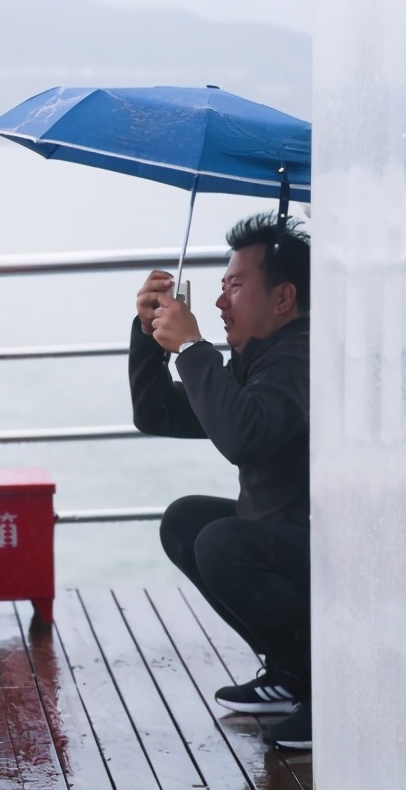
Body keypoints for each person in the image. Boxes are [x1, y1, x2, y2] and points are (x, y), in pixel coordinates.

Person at [129, 211, 312, 750]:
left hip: (335, 550)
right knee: (187, 521)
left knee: (221, 543)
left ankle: (325, 682)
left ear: (283, 298)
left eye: (235, 286)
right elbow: (158, 413)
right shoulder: (261, 356)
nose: (219, 302)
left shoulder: (300, 357)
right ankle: (293, 672)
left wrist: (191, 349)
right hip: (289, 538)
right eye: (221, 287)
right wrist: (148, 338)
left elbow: (243, 434)